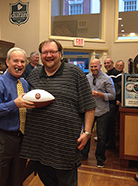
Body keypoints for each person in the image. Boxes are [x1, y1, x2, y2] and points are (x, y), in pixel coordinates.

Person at [20, 39, 96, 186]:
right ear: (40, 55)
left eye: (53, 52)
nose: (49, 55)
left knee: (66, 181)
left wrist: (87, 132)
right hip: (39, 145)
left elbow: (89, 105)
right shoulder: (34, 75)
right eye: (45, 52)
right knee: (46, 180)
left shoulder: (75, 73)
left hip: (65, 144)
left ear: (60, 54)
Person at [0, 47, 35, 186]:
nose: (19, 64)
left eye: (22, 61)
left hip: (20, 139)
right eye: (15, 61)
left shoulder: (24, 84)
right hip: (1, 139)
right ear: (7, 62)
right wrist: (14, 104)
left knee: (17, 181)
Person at [81, 59, 115, 168]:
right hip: (89, 110)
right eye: (92, 67)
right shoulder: (87, 78)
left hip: (102, 111)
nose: (93, 69)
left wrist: (99, 94)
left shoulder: (107, 79)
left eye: (95, 66)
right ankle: (83, 154)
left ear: (100, 66)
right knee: (86, 133)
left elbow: (112, 96)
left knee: (101, 136)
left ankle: (100, 159)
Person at [104, 57, 122, 149]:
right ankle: (108, 142)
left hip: (114, 102)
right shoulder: (106, 75)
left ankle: (111, 143)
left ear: (112, 63)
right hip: (107, 102)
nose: (106, 65)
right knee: (108, 122)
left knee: (110, 121)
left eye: (108, 63)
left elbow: (120, 88)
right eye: (105, 63)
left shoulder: (117, 75)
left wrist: (119, 99)